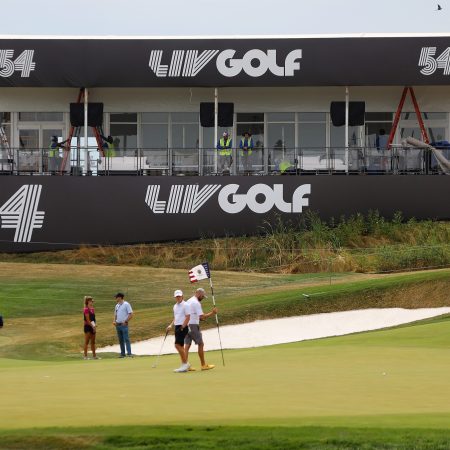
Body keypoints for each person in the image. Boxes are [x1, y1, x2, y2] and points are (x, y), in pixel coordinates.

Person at [184, 287, 217, 371]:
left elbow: (195, 315)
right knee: (201, 344)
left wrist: (200, 318)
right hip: (193, 325)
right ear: (198, 294)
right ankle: (203, 365)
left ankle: (185, 365)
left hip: (186, 325)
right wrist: (212, 313)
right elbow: (201, 316)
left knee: (187, 345)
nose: (202, 298)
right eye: (202, 296)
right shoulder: (196, 303)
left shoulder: (189, 301)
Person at [166, 289, 191, 373]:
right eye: (176, 296)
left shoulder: (186, 305)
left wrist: (183, 326)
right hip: (177, 326)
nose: (178, 297)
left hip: (182, 327)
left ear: (182, 296)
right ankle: (185, 364)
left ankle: (185, 364)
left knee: (177, 345)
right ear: (175, 297)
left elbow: (188, 316)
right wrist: (171, 325)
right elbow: (176, 317)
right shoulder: (175, 306)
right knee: (180, 345)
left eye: (179, 296)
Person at [113, 292, 133, 357]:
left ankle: (129, 353)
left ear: (120, 297)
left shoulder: (126, 304)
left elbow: (131, 314)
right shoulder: (117, 305)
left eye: (116, 297)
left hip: (124, 325)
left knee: (126, 339)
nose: (116, 298)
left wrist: (126, 321)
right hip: (118, 325)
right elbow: (115, 315)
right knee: (120, 340)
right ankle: (122, 354)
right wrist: (114, 321)